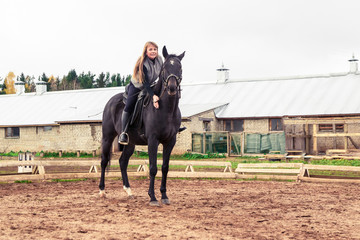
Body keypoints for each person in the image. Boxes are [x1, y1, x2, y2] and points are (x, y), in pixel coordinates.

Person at [119, 41, 163, 145]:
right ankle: (124, 132)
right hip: (137, 86)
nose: (153, 51)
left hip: (151, 84)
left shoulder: (160, 60)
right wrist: (153, 96)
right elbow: (145, 82)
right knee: (130, 105)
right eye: (150, 49)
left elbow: (162, 74)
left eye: (155, 49)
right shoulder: (143, 63)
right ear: (146, 51)